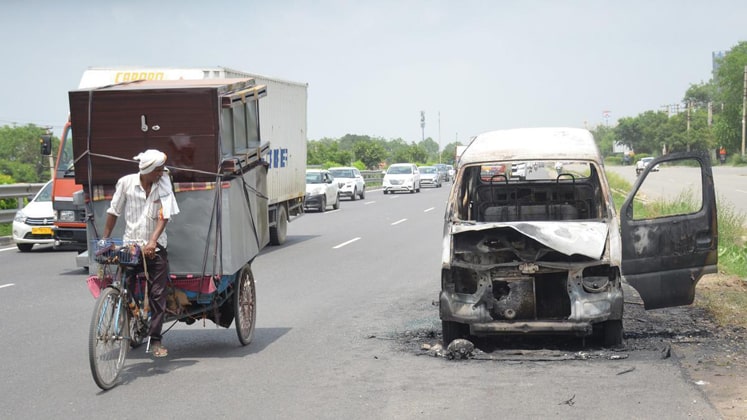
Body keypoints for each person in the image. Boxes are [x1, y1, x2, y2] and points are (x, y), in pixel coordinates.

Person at [101, 149, 180, 358]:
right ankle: (133, 319)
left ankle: (156, 340)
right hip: (131, 246)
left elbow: (164, 215)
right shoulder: (126, 183)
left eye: (162, 169)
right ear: (146, 170)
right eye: (158, 170)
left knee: (157, 294)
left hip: (156, 247)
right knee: (124, 287)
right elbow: (113, 211)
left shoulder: (163, 184)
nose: (161, 173)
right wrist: (105, 239)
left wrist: (153, 241)